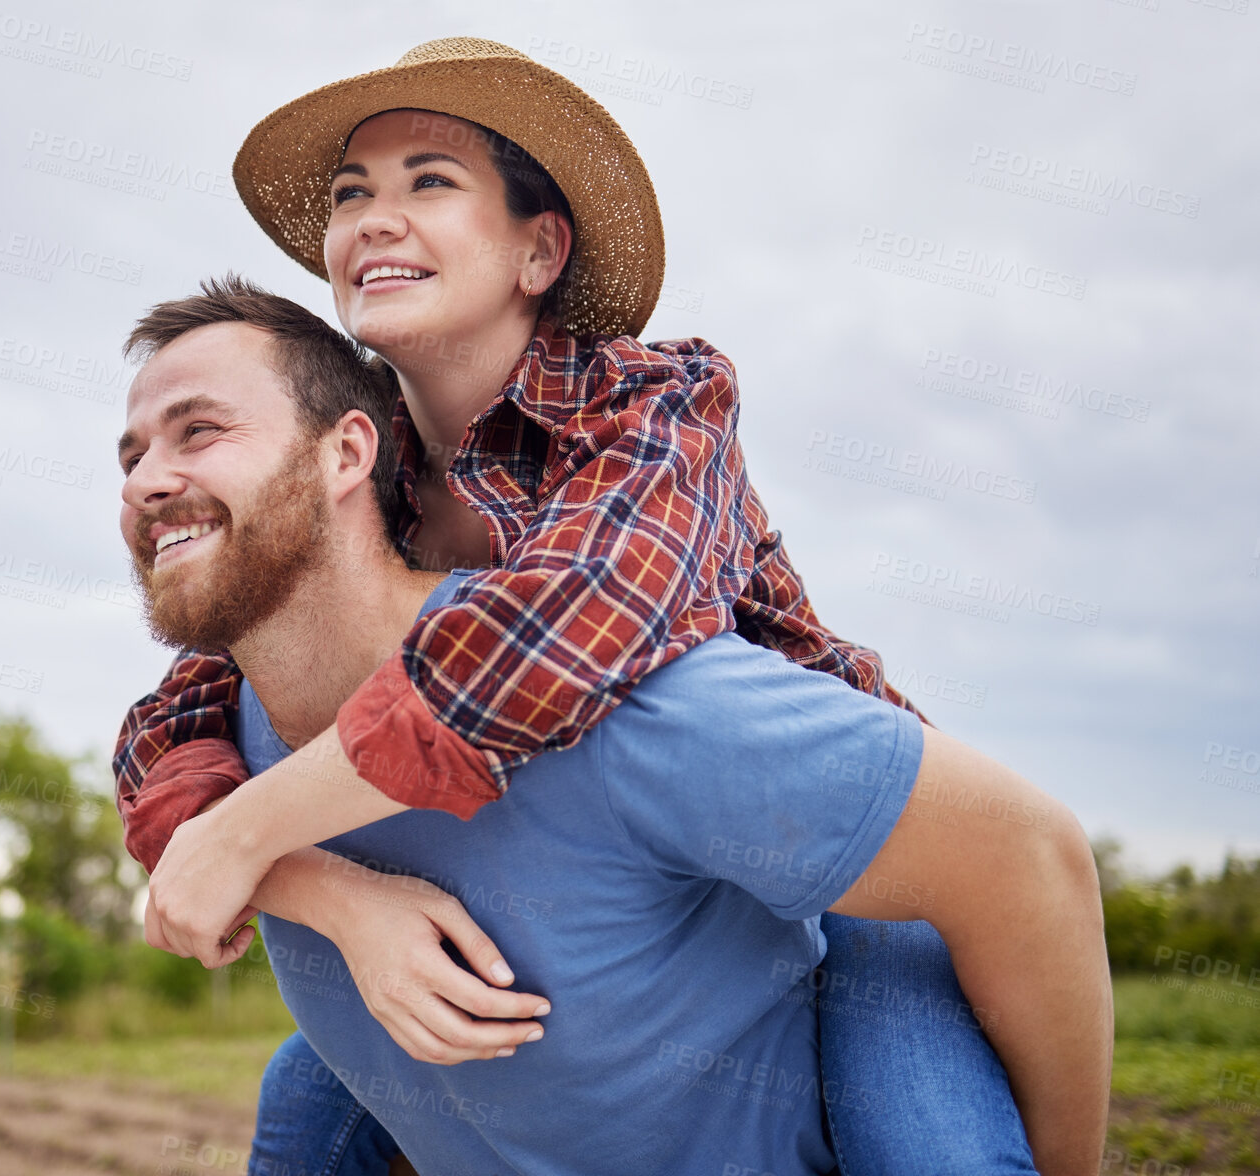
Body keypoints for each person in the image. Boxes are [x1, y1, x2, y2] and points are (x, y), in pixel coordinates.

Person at [115, 37, 1104, 1174]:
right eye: (352, 195)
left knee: (929, 1141)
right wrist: (327, 892)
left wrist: (243, 835)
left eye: (429, 182)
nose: (374, 219)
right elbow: (177, 718)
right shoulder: (358, 474)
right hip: (606, 898)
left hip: (837, 871)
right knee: (315, 1085)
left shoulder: (652, 407)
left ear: (539, 247)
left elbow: (553, 636)